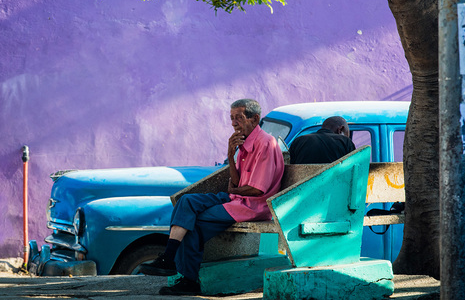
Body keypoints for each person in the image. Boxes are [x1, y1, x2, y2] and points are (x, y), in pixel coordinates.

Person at [140, 99, 285, 296]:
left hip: (252, 206)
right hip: (236, 199)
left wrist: (234, 189)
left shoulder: (266, 143)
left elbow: (257, 190)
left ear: (255, 118)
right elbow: (236, 181)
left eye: (239, 118)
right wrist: (230, 153)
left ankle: (186, 277)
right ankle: (169, 257)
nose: (234, 123)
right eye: (232, 118)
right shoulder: (243, 143)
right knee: (187, 201)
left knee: (194, 222)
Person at [289, 116, 356, 164]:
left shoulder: (299, 141)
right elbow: (354, 166)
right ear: (340, 129)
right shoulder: (345, 141)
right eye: (346, 134)